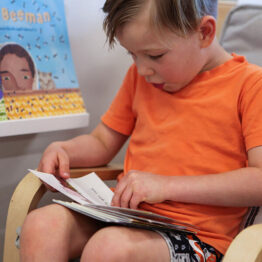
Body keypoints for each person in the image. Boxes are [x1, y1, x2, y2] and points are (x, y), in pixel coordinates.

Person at [20, 0, 262, 261]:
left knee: (109, 247)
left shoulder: (250, 86)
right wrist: (64, 149)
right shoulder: (140, 78)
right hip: (125, 216)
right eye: (132, 54)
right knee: (40, 225)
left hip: (198, 238)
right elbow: (102, 142)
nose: (143, 68)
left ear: (203, 33)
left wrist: (166, 186)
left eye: (155, 55)